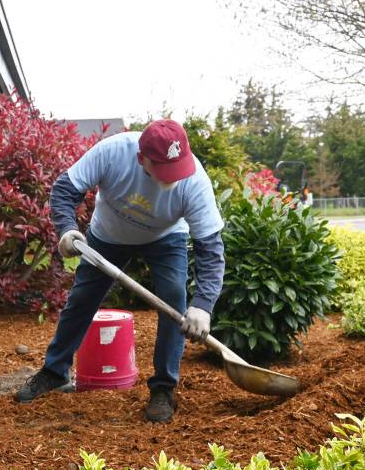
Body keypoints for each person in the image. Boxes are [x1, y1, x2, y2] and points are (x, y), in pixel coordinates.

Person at [15, 120, 225, 423]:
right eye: (165, 170)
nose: (175, 178)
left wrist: (203, 305)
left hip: (166, 238)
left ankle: (163, 388)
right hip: (108, 236)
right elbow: (64, 190)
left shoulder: (194, 182)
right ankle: (54, 372)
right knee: (82, 299)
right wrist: (67, 230)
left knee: (174, 299)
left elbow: (211, 249)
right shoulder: (114, 152)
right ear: (143, 159)